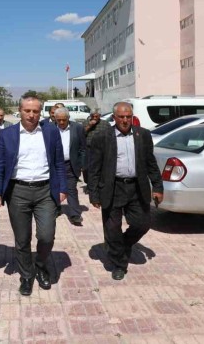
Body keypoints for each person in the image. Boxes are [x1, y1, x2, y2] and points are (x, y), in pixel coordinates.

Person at [0, 96, 67, 296]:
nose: (31, 115)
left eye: (35, 111)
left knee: (46, 235)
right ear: (20, 111)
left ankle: (40, 265)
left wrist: (63, 188)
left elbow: (59, 162)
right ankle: (26, 275)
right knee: (22, 238)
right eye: (27, 111)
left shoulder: (51, 132)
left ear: (40, 112)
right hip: (18, 192)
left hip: (45, 191)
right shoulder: (6, 135)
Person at [86, 101, 163, 281]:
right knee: (112, 229)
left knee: (142, 224)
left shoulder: (143, 135)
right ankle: (119, 264)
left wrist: (157, 186)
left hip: (137, 187)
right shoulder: (102, 137)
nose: (125, 120)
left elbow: (151, 163)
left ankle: (122, 244)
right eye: (121, 117)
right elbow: (94, 168)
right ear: (114, 118)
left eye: (128, 116)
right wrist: (94, 194)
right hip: (113, 188)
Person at [53, 107, 86, 225]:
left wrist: (81, 164)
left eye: (64, 120)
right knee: (54, 187)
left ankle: (75, 214)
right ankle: (56, 209)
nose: (61, 122)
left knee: (71, 189)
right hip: (55, 165)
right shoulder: (50, 129)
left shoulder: (77, 128)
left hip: (71, 164)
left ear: (68, 118)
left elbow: (83, 148)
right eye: (59, 120)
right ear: (55, 119)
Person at [82, 109, 111, 184]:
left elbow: (110, 135)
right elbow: (81, 134)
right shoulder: (85, 123)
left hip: (101, 149)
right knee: (87, 168)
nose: (94, 118)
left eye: (96, 116)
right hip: (88, 148)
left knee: (99, 167)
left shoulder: (105, 124)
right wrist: (89, 126)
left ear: (100, 116)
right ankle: (89, 183)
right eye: (93, 116)